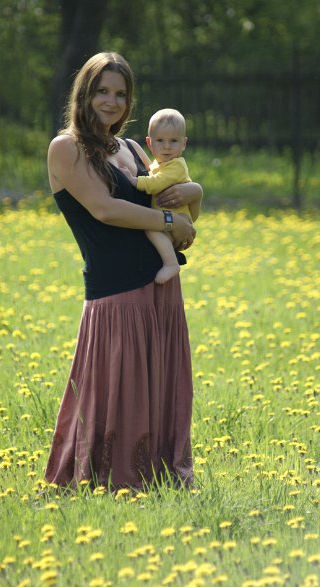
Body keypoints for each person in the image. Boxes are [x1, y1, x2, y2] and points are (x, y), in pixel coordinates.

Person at [44, 52, 202, 491]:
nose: (111, 102)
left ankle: (162, 477)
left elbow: (173, 202)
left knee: (162, 387)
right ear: (84, 93)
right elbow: (105, 209)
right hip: (116, 293)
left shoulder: (133, 149)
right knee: (121, 393)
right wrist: (169, 222)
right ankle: (111, 480)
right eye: (102, 91)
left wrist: (194, 197)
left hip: (161, 286)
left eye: (120, 93)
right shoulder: (66, 148)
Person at [121, 108, 196, 284]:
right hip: (170, 215)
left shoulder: (176, 166)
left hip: (178, 217)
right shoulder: (158, 164)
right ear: (149, 143)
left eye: (174, 141)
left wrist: (134, 180)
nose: (167, 146)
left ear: (184, 143)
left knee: (152, 227)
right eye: (160, 140)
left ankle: (171, 263)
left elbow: (156, 183)